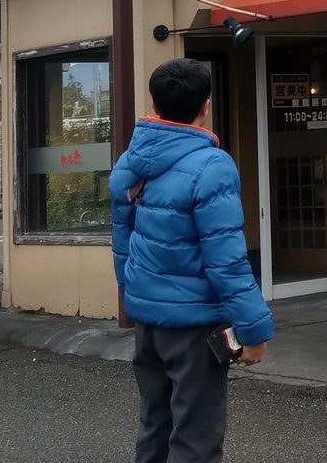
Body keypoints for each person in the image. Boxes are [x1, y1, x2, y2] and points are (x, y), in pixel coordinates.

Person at [111, 58, 273, 463]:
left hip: (148, 321)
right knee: (195, 438)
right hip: (194, 326)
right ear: (206, 106)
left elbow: (122, 239)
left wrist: (132, 293)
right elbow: (226, 259)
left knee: (155, 426)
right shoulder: (211, 166)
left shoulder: (132, 160)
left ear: (155, 104)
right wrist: (253, 329)